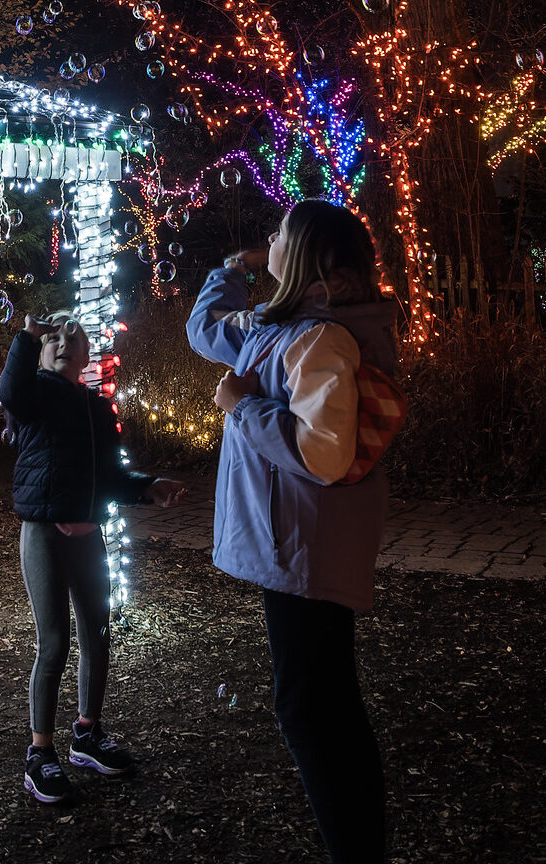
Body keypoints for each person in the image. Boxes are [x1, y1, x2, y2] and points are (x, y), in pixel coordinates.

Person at [186, 198, 398, 862]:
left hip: (302, 552)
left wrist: (243, 406)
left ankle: (355, 851)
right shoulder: (280, 327)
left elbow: (323, 455)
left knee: (312, 712)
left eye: (279, 233)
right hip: (296, 550)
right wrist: (228, 267)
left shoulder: (318, 339)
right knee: (325, 705)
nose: (267, 237)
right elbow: (203, 331)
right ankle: (361, 844)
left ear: (306, 260)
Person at [0, 310, 188, 804]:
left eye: (73, 337)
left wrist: (149, 488)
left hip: (88, 535)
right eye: (53, 338)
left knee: (98, 634)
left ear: (87, 356)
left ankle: (87, 733)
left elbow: (111, 477)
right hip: (43, 532)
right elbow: (12, 394)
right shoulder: (34, 395)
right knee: (55, 642)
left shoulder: (99, 409)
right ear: (41, 351)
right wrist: (25, 336)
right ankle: (40, 754)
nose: (63, 342)